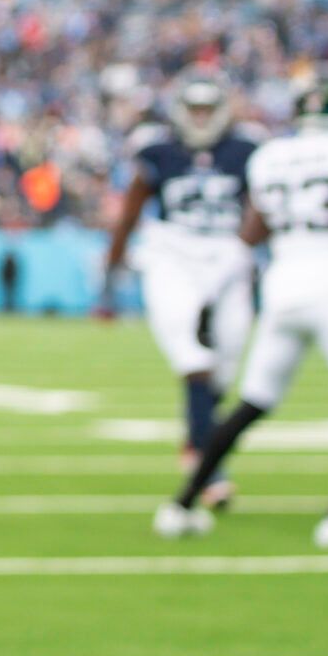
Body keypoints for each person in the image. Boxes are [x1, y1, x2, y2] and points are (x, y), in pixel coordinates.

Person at [156, 74, 328, 549]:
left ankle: (180, 506)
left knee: (253, 401)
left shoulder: (272, 157)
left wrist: (209, 297)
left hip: (283, 288)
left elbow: (249, 235)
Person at [106, 68, 258, 509]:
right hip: (172, 255)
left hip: (228, 258)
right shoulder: (158, 150)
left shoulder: (246, 150)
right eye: (194, 108)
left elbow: (259, 211)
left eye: (208, 108)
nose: (201, 116)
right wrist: (113, 264)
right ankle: (209, 466)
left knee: (226, 363)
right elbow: (132, 210)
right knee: (192, 358)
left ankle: (196, 437)